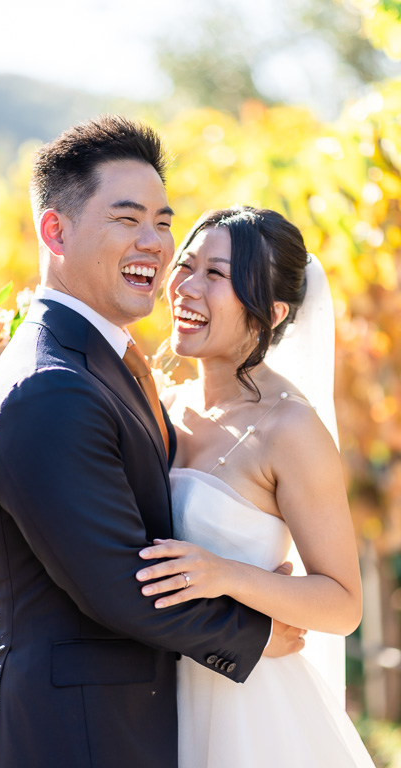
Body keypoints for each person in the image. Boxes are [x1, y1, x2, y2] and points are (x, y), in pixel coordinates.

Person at [0, 120, 303, 768]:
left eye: (162, 221)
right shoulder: (51, 387)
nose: (155, 243)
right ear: (55, 232)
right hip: (69, 735)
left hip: (115, 723)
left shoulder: (106, 360)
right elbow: (122, 584)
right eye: (127, 219)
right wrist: (257, 630)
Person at [136, 206, 375, 767]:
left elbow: (342, 604)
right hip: (154, 698)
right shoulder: (163, 406)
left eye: (216, 276)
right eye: (187, 266)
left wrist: (222, 574)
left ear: (271, 312)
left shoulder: (290, 429)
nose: (186, 288)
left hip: (248, 712)